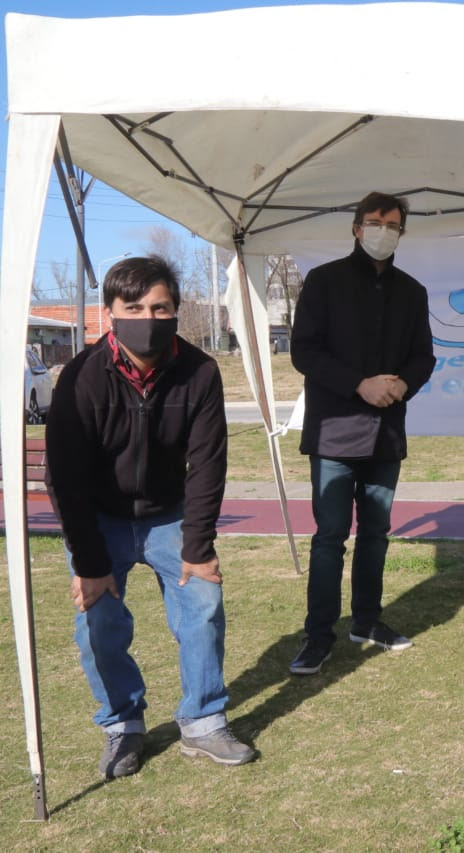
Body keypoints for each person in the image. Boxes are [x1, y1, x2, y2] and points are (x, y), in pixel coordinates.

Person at [45, 255, 255, 779]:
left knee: (203, 606)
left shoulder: (201, 372)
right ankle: (123, 726)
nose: (148, 316)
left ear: (177, 312)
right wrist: (90, 563)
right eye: (133, 306)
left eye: (160, 307)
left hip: (171, 514)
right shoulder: (80, 377)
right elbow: (64, 478)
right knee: (99, 626)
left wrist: (198, 547)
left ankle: (204, 723)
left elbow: (207, 463)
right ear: (110, 312)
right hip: (100, 519)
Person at [288, 191, 437, 675]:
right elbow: (305, 352)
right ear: (356, 227)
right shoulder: (324, 281)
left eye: (392, 224)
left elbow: (424, 356)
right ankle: (318, 635)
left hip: (386, 432)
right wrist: (359, 384)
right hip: (334, 430)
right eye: (374, 222)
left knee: (376, 533)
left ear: (401, 232)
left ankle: (368, 621)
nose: (382, 231)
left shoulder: (412, 291)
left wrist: (402, 383)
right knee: (330, 536)